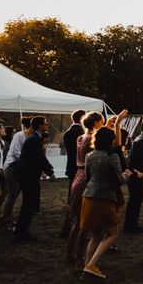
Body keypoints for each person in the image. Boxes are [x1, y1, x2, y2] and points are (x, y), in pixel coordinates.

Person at [81, 126, 133, 279]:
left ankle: (87, 267)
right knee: (112, 233)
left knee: (96, 235)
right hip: (104, 198)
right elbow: (120, 180)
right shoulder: (112, 156)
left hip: (89, 196)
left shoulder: (89, 155)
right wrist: (127, 174)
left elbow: (87, 177)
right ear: (109, 141)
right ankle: (91, 265)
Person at [66, 111, 104, 263]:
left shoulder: (80, 137)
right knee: (84, 223)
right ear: (96, 123)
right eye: (101, 121)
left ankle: (69, 254)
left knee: (78, 223)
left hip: (77, 176)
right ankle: (80, 258)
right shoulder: (91, 139)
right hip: (86, 179)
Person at [14, 116, 55, 241]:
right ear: (40, 126)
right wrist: (50, 171)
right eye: (45, 124)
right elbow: (38, 158)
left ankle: (22, 231)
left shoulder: (34, 138)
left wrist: (49, 169)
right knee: (29, 203)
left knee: (29, 203)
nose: (47, 126)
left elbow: (39, 157)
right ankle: (21, 233)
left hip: (27, 174)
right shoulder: (34, 139)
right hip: (28, 175)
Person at [124, 118, 143, 233]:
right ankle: (131, 226)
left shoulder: (138, 139)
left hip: (134, 173)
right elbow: (142, 159)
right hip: (137, 175)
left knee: (134, 200)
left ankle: (130, 224)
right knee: (135, 201)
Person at [1, 117, 32, 229]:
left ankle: (7, 217)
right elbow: (15, 152)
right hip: (12, 167)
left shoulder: (29, 136)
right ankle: (6, 218)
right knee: (13, 193)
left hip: (19, 167)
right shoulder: (19, 135)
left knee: (15, 193)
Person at [60, 109, 86, 238]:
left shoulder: (67, 133)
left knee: (72, 198)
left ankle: (68, 228)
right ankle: (70, 229)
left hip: (71, 168)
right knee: (78, 200)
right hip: (80, 169)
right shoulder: (82, 133)